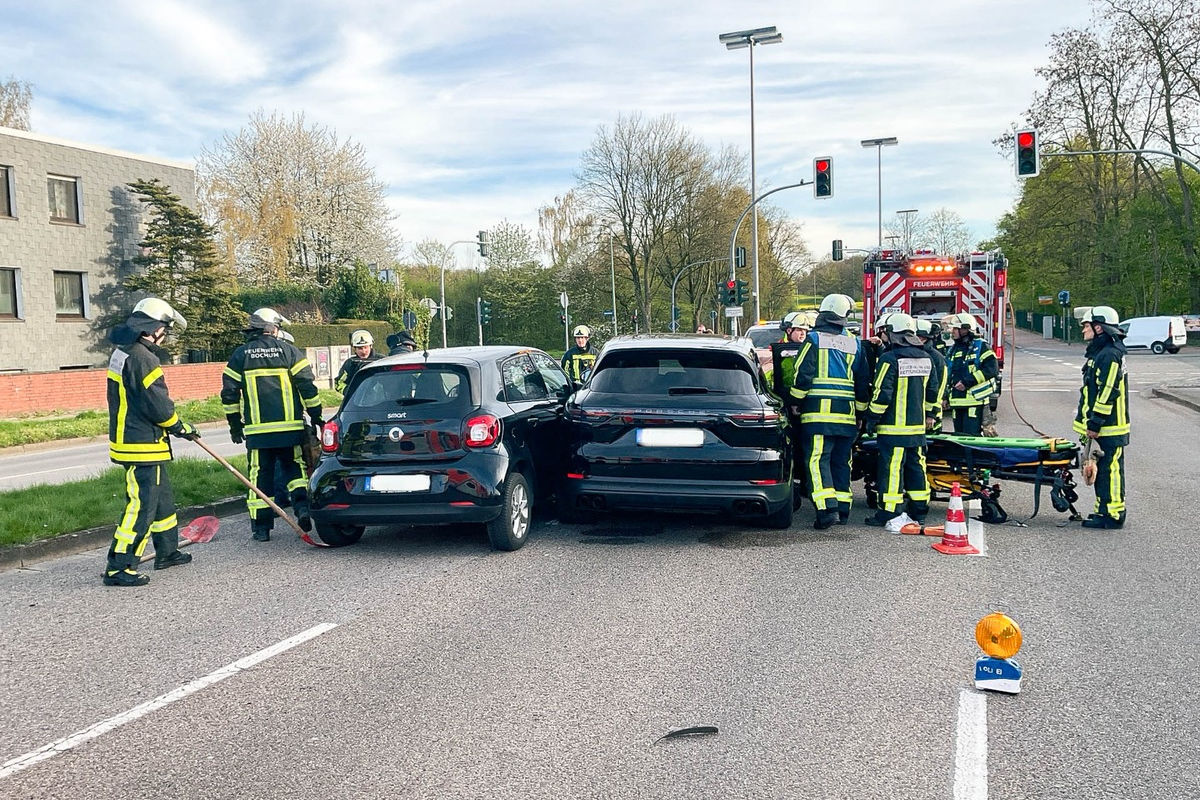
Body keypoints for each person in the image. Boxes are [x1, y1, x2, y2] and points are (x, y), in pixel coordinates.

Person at [103, 298, 198, 586]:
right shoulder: (144, 359)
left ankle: (167, 552)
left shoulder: (124, 352)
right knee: (141, 506)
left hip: (136, 440)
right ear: (152, 328)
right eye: (164, 329)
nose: (164, 335)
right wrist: (180, 427)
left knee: (162, 501)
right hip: (141, 444)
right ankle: (119, 565)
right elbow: (158, 405)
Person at [222, 308, 323, 541]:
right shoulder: (290, 351)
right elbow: (307, 387)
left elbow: (229, 393)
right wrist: (316, 416)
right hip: (290, 429)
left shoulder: (240, 355)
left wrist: (234, 425)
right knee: (295, 470)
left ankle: (261, 528)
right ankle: (302, 509)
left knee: (259, 476)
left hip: (258, 433)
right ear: (273, 328)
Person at [790, 294, 872, 529]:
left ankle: (827, 511)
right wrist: (860, 414)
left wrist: (795, 400)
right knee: (841, 461)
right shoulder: (855, 343)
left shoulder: (814, 339)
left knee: (817, 460)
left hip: (818, 414)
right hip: (846, 415)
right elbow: (862, 382)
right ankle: (843, 509)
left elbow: (802, 374)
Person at [862, 313, 938, 526]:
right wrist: (930, 415)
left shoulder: (890, 359)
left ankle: (889, 511)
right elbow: (933, 391)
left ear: (892, 333)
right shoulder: (926, 358)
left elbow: (882, 393)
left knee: (892, 469)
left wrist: (872, 418)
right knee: (916, 466)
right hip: (917, 428)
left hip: (893, 428)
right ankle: (919, 509)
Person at [1073, 306, 1130, 529]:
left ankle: (1114, 515)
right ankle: (1103, 510)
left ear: (1099, 327)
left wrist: (1095, 422)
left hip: (1109, 426)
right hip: (1103, 426)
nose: (1083, 331)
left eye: (1086, 326)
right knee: (1101, 471)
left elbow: (1107, 391)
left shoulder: (1109, 355)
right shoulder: (1102, 353)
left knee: (1110, 470)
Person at [946, 313, 999, 436]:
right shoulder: (953, 349)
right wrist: (945, 396)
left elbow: (992, 369)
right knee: (959, 439)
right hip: (956, 402)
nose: (952, 331)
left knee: (971, 438)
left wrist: (967, 381)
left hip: (974, 403)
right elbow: (949, 374)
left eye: (955, 328)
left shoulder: (981, 346)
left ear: (964, 329)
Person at [916, 318, 949, 433]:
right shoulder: (916, 354)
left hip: (930, 417)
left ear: (922, 338)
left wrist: (931, 414)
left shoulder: (937, 358)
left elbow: (939, 389)